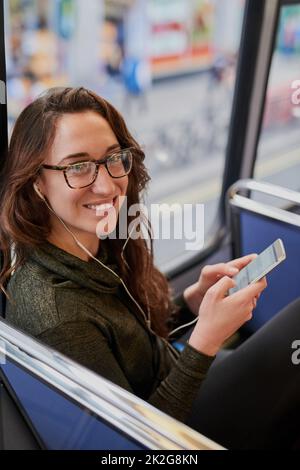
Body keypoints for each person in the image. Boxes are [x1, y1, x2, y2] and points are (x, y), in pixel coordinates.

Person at [0, 87, 298, 449]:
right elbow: (131, 445)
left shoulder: (95, 245)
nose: (108, 184)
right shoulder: (60, 318)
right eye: (77, 167)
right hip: (180, 428)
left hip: (179, 375)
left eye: (113, 158)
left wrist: (189, 303)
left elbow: (133, 345)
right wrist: (203, 341)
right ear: (37, 182)